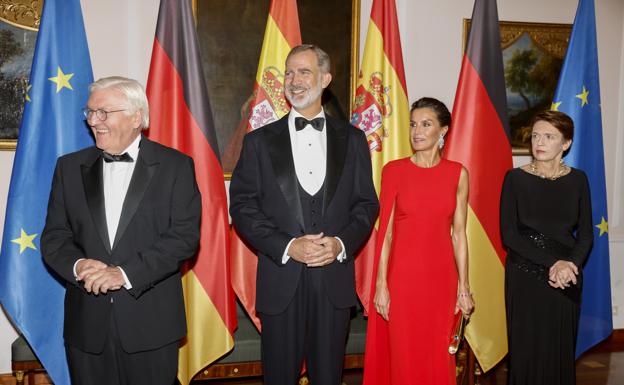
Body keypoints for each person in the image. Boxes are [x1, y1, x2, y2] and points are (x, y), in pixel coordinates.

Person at [229, 44, 379, 385]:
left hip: (334, 285)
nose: (294, 81)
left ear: (325, 79)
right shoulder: (258, 141)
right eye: (289, 72)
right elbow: (242, 206)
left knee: (328, 377)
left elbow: (366, 204)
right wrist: (287, 246)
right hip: (281, 283)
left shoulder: (354, 140)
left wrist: (340, 244)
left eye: (304, 72)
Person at [41, 76, 201, 385]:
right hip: (87, 326)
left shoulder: (175, 166)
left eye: (104, 112)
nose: (93, 121)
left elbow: (183, 238)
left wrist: (123, 273)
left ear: (136, 117)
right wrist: (78, 266)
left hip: (151, 324)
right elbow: (54, 237)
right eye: (90, 112)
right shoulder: (68, 167)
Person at [362, 97, 474, 385]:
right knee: (404, 354)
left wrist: (464, 287)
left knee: (438, 354)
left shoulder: (457, 174)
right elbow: (385, 233)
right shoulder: (394, 171)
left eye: (426, 124)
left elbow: (459, 234)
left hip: (441, 279)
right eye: (413, 124)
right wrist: (381, 285)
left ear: (444, 130)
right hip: (402, 280)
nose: (417, 131)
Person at [501, 110, 593, 385]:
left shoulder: (579, 179)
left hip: (566, 278)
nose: (539, 142)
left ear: (565, 144)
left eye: (549, 137)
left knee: (559, 349)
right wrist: (552, 263)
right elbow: (510, 236)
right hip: (525, 274)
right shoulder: (514, 178)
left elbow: (586, 234)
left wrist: (570, 264)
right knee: (526, 350)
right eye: (536, 136)